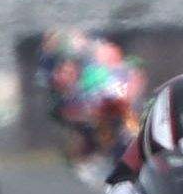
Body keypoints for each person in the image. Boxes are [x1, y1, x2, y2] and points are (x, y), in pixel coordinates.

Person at [42, 27, 146, 177]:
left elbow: (127, 83)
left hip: (113, 115)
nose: (60, 74)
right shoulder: (70, 95)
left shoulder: (98, 72)